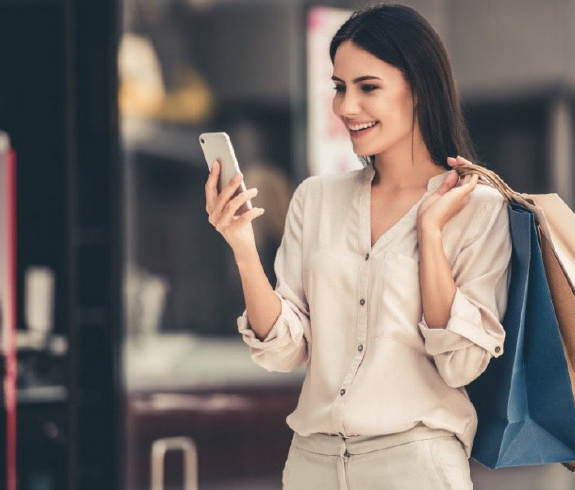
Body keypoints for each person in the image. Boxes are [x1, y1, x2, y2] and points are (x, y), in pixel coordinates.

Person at [204, 4, 511, 489]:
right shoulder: (316, 198)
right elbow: (284, 350)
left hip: (414, 464)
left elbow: (461, 365)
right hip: (312, 464)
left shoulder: (478, 207)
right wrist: (242, 245)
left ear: (418, 88)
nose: (347, 107)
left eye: (368, 87)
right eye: (339, 87)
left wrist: (429, 236)